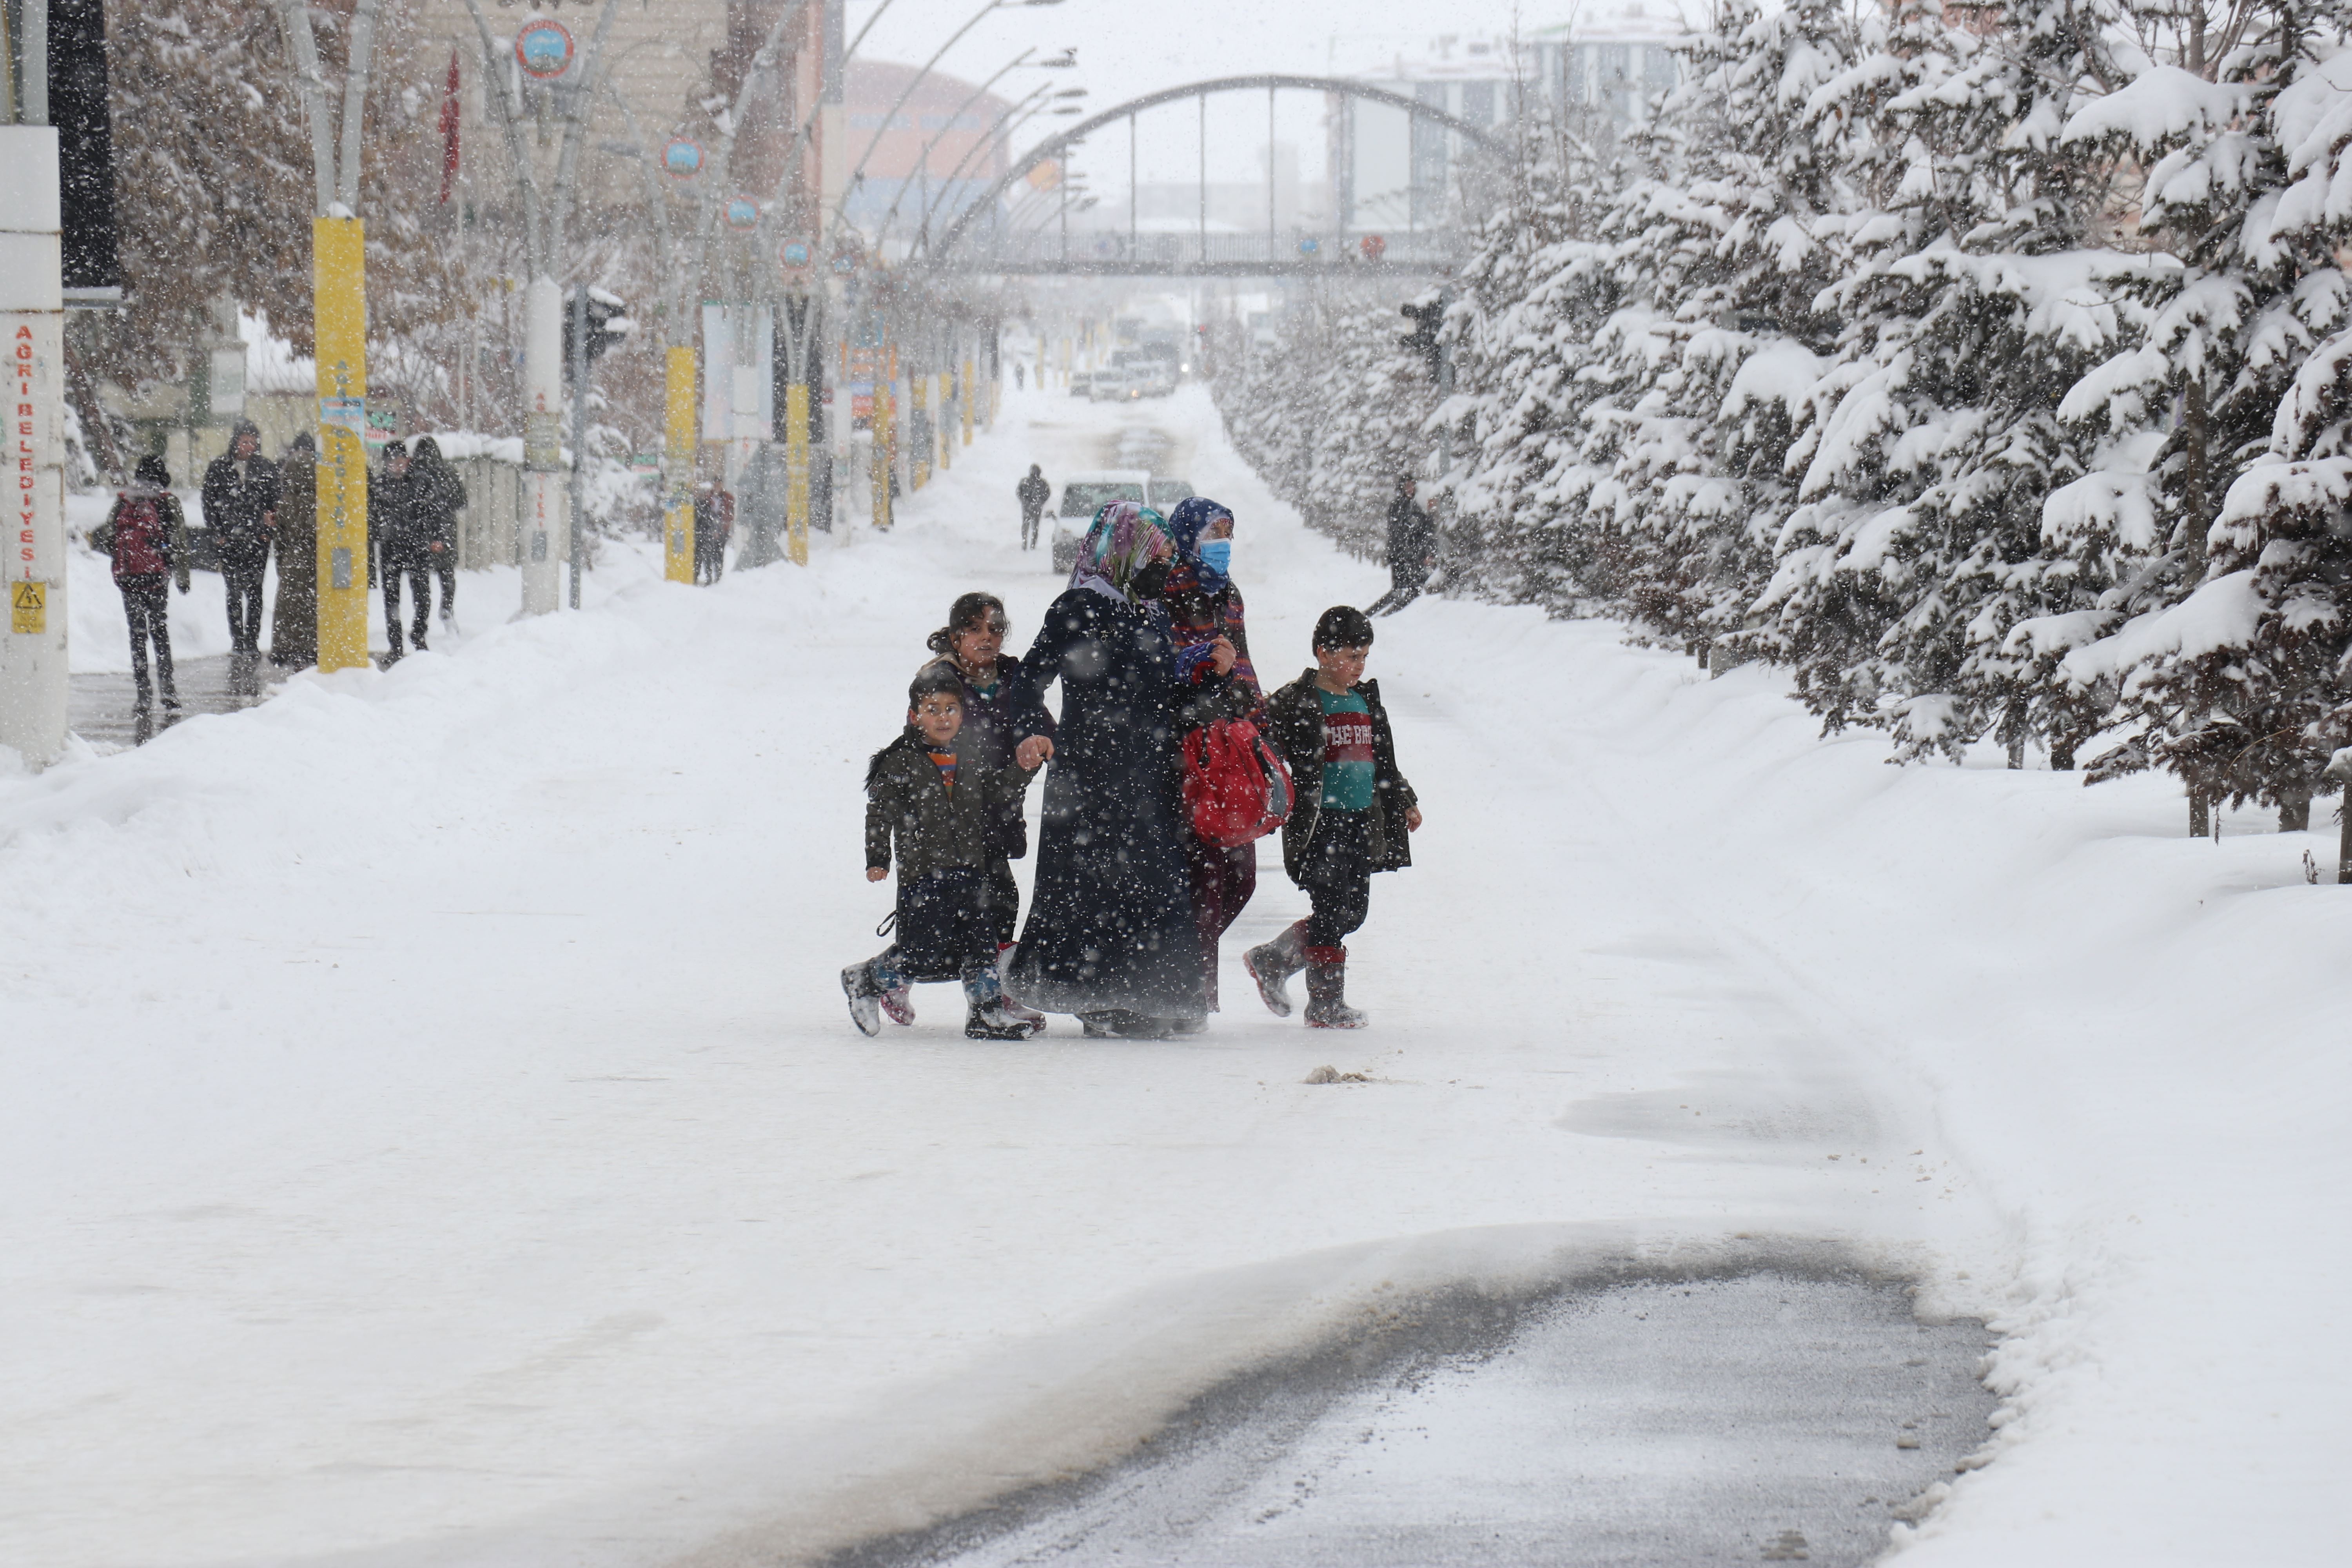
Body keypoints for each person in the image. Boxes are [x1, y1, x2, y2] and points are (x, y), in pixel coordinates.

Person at [1004, 502, 1237, 1038]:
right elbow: (1028, 681)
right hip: (1089, 776)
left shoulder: (1151, 612)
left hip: (1149, 774)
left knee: (1150, 886)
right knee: (1093, 889)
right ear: (1123, 552)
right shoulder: (1078, 607)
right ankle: (1100, 1002)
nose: (1164, 570)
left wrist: (1212, 678)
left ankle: (1150, 993)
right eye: (1156, 558)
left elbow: (1164, 705)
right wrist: (1031, 732)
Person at [844, 665, 1054, 1042]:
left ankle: (986, 1014)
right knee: (922, 953)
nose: (944, 718)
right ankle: (867, 979)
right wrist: (878, 859)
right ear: (914, 715)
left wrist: (1023, 770)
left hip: (971, 871)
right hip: (926, 873)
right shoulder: (901, 760)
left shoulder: (969, 755)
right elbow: (880, 812)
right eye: (933, 709)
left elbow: (997, 792)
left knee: (980, 948)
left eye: (952, 709)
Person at [1246, 606, 1422, 1029]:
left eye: (1364, 657)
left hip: (1362, 821)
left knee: (1353, 913)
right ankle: (1325, 1005)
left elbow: (1384, 762)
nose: (1359, 666)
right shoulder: (1298, 700)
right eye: (1351, 656)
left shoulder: (1366, 701)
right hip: (1318, 824)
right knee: (1329, 909)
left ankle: (1273, 959)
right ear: (1323, 654)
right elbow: (1260, 743)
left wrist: (1404, 799)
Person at [920, 592, 1058, 1033]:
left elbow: (1044, 728)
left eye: (995, 629)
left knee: (996, 904)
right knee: (955, 915)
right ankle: (889, 977)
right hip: (953, 819)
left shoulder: (1013, 678)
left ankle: (993, 996)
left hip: (998, 814)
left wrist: (1056, 750)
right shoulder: (939, 682)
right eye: (976, 629)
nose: (987, 638)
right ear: (956, 634)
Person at [1161, 497, 1263, 1018]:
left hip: (1231, 750)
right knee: (1204, 878)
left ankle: (1178, 969)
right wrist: (1204, 668)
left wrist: (1261, 732)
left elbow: (1243, 664)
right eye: (1212, 531)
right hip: (1187, 753)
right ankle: (1189, 995)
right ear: (1187, 536)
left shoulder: (1228, 593)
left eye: (1228, 530)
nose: (1221, 542)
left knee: (1240, 876)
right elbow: (1164, 673)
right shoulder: (1165, 592)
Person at [90, 454, 191, 713]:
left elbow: (109, 535)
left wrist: (126, 557)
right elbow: (179, 541)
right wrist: (181, 578)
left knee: (137, 635)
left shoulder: (125, 500)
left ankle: (143, 694)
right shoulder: (168, 502)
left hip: (130, 578)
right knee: (159, 630)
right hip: (157, 578)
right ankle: (168, 690)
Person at [200, 418, 279, 658]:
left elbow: (274, 502)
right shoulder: (219, 468)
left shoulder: (265, 468)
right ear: (235, 442)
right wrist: (218, 534)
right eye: (245, 441)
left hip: (257, 540)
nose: (249, 446)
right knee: (233, 590)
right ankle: (237, 639)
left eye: (253, 442)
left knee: (255, 591)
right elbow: (209, 503)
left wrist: (268, 531)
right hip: (230, 540)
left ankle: (252, 641)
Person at [370, 441, 436, 659]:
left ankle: (418, 635)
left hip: (417, 547)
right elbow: (372, 517)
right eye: (392, 462)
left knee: (423, 596)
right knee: (392, 599)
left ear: (408, 461)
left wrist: (435, 537)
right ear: (386, 464)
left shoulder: (421, 482)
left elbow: (435, 513)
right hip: (391, 549)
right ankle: (396, 646)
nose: (397, 466)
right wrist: (380, 533)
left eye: (401, 461)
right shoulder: (379, 486)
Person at [409, 436, 467, 634]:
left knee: (420, 579)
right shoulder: (448, 473)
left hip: (419, 534)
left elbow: (410, 506)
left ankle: (421, 613)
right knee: (447, 575)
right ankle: (447, 609)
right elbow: (461, 502)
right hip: (446, 532)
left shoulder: (413, 475)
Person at [269, 433, 318, 667]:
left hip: (292, 561)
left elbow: (280, 540)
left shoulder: (286, 502)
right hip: (315, 562)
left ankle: (286, 648)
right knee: (312, 607)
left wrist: (283, 564)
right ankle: (312, 648)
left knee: (289, 608)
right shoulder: (323, 502)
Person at [1368, 474, 1436, 616]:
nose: (1410, 489)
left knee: (1412, 591)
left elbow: (1427, 530)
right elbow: (1397, 532)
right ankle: (1379, 615)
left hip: (1415, 556)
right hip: (1400, 556)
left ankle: (1385, 615)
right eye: (1407, 486)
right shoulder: (1397, 506)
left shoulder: (1418, 505)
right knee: (1400, 590)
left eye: (1412, 485)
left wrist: (1425, 552)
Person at [693, 479, 734, 584]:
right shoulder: (708, 498)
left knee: (719, 555)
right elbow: (705, 514)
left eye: (719, 485)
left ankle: (718, 577)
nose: (717, 487)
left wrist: (723, 528)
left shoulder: (727, 498)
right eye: (716, 485)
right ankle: (709, 576)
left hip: (721, 530)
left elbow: (729, 515)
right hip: (708, 529)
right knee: (708, 554)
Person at [1016, 464, 1050, 551]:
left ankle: (1026, 543)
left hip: (1028, 508)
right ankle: (1032, 545)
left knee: (1027, 526)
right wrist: (1041, 501)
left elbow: (1018, 492)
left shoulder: (1025, 482)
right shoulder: (1042, 483)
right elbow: (1047, 493)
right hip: (1036, 509)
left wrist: (1024, 501)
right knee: (1034, 527)